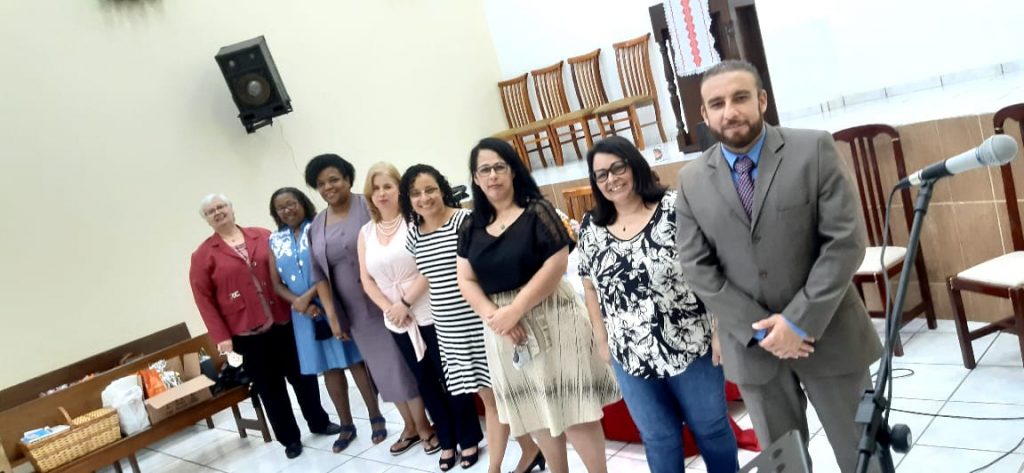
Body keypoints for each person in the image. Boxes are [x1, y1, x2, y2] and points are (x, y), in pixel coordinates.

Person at [675, 60, 882, 473]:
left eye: (740, 98)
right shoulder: (691, 180)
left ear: (762, 100)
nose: (729, 111)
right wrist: (763, 331)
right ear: (704, 114)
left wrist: (798, 322)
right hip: (754, 351)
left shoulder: (813, 149)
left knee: (863, 456)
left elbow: (844, 243)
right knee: (784, 465)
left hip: (828, 336)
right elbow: (696, 267)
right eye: (717, 103)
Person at [576, 136, 739, 473]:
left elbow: (716, 264)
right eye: (601, 175)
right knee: (658, 438)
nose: (611, 179)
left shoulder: (675, 208)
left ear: (634, 165)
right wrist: (603, 340)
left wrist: (720, 328)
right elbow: (589, 286)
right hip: (630, 354)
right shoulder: (591, 227)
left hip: (692, 343)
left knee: (711, 428)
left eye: (618, 168)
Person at [456, 138, 620, 473]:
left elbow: (556, 263)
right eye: (484, 169)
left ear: (513, 171)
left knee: (575, 408)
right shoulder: (471, 226)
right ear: (475, 178)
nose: (492, 175)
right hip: (502, 329)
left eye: (499, 167)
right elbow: (466, 279)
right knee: (533, 410)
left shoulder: (537, 211)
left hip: (553, 315)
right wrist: (495, 317)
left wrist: (515, 310)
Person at [401, 164, 540, 473]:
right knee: (491, 397)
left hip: (481, 320)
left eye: (430, 189)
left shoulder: (466, 222)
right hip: (448, 327)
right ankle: (530, 450)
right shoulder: (413, 235)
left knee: (497, 397)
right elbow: (429, 277)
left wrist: (501, 315)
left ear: (442, 189)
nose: (424, 198)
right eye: (416, 193)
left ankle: (496, 467)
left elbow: (489, 268)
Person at [188, 194, 341, 460]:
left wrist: (306, 302)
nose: (218, 212)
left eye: (222, 206)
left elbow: (285, 270)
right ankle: (289, 439)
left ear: (231, 209)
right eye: (211, 211)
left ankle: (319, 421)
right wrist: (221, 336)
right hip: (247, 333)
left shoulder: (262, 235)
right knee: (270, 388)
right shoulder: (203, 255)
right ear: (206, 219)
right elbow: (203, 299)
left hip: (283, 321)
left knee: (303, 377)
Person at [357, 162, 482, 460]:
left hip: (430, 309)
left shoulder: (414, 222)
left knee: (451, 377)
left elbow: (431, 266)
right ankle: (446, 439)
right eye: (376, 188)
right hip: (397, 320)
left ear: (400, 190)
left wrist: (405, 303)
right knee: (424, 381)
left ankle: (468, 437)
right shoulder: (366, 232)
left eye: (388, 186)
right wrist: (390, 309)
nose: (382, 193)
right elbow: (366, 279)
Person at [303, 154, 423, 451]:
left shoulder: (368, 205)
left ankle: (424, 425)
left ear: (348, 179)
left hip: (390, 299)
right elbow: (319, 275)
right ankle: (409, 425)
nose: (328, 187)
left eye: (334, 179)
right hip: (356, 311)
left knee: (405, 363)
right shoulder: (316, 225)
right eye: (321, 183)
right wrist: (333, 316)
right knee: (382, 368)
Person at [266, 187, 386, 454]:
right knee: (329, 368)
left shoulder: (319, 226)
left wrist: (308, 297)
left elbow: (328, 267)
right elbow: (276, 283)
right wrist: (299, 303)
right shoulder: (274, 240)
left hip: (331, 301)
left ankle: (376, 415)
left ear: (302, 203)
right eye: (281, 207)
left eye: (291, 203)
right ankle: (346, 424)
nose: (287, 210)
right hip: (303, 315)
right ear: (275, 213)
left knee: (354, 361)